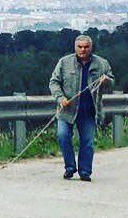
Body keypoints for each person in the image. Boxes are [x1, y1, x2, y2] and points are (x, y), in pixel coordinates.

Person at [49, 34, 115, 181]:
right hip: (67, 110)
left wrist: (106, 81)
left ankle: (85, 171)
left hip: (89, 110)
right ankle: (70, 167)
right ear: (75, 47)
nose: (83, 50)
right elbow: (54, 82)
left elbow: (112, 83)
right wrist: (60, 98)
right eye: (80, 47)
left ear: (91, 47)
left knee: (87, 142)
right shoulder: (64, 62)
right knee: (63, 136)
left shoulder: (102, 63)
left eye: (86, 47)